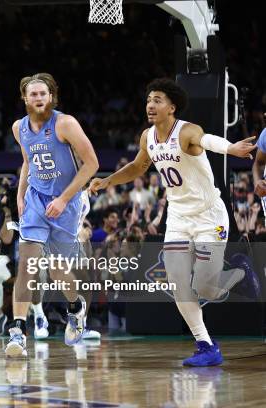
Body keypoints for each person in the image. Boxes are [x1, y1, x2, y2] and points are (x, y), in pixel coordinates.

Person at [90, 78, 259, 366]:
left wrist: (231, 148)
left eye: (157, 100)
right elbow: (138, 166)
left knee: (205, 289)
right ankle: (206, 344)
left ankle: (240, 272)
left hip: (208, 216)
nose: (150, 105)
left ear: (172, 107)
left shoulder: (187, 131)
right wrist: (107, 181)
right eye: (148, 100)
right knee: (179, 284)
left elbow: (208, 141)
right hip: (178, 218)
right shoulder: (147, 137)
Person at [6, 72, 99, 357]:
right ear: (25, 98)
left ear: (51, 97)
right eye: (32, 94)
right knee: (28, 266)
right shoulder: (18, 127)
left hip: (66, 203)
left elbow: (91, 164)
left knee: (58, 270)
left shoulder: (65, 123)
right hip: (36, 201)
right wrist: (20, 196)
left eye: (42, 94)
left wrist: (63, 198)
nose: (37, 98)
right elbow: (27, 162)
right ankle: (18, 331)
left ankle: (76, 305)